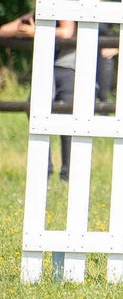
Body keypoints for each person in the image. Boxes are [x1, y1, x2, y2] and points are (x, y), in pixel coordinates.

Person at [2, 11, 78, 180]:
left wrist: (36, 32)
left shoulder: (64, 10)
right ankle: (46, 169)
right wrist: (24, 30)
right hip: (46, 68)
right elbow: (5, 30)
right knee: (36, 112)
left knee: (66, 118)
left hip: (66, 69)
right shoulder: (37, 14)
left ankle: (67, 173)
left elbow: (67, 32)